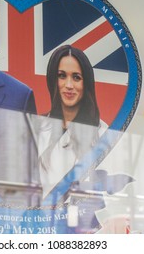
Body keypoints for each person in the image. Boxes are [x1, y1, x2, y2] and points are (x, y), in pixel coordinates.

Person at [37, 45, 101, 197]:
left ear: (86, 83)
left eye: (76, 77)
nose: (69, 85)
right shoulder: (37, 128)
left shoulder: (102, 132)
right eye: (62, 76)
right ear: (53, 79)